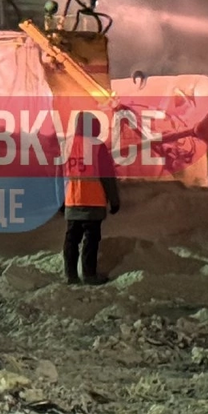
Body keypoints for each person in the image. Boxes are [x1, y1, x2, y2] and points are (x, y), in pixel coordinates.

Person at [61, 110, 120, 286]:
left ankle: (70, 275)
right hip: (93, 201)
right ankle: (89, 274)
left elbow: (58, 176)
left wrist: (59, 200)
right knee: (91, 239)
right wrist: (114, 200)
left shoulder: (66, 145)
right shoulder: (97, 146)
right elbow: (107, 177)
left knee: (71, 238)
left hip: (72, 200)